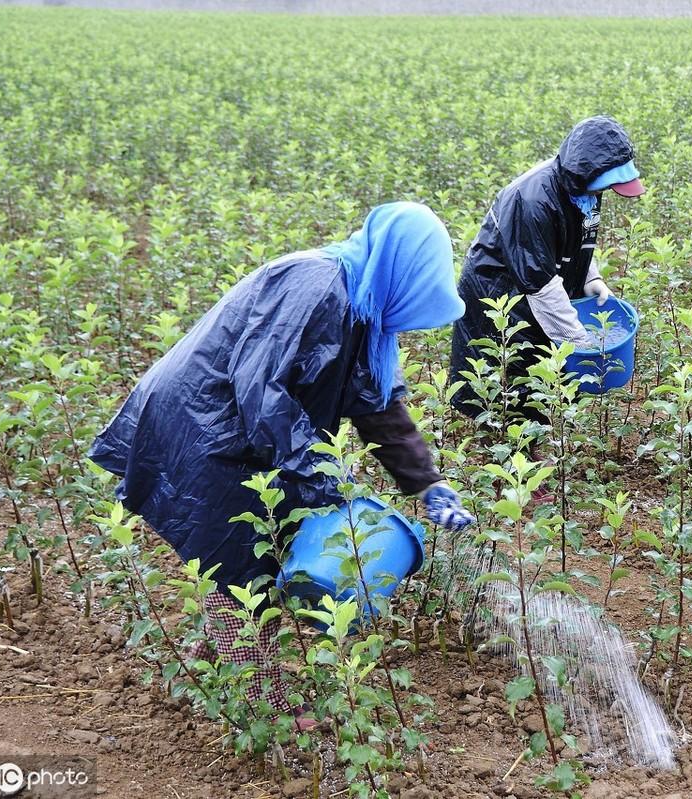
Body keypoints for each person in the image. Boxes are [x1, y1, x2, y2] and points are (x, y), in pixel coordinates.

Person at [89, 202, 475, 726]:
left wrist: (427, 484)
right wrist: (322, 473)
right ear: (396, 270)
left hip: (244, 432)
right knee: (238, 564)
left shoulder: (366, 309)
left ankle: (214, 668)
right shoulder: (315, 286)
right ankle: (259, 707)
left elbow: (379, 407)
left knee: (254, 551)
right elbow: (260, 391)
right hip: (204, 425)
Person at [450, 115, 645, 429]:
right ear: (588, 171)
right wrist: (580, 342)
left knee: (540, 365)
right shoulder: (532, 199)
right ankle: (510, 448)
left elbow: (576, 238)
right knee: (511, 368)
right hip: (499, 289)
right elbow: (538, 282)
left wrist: (591, 278)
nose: (609, 190)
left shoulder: (585, 189)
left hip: (535, 282)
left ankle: (532, 433)